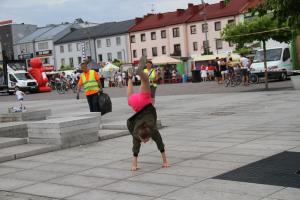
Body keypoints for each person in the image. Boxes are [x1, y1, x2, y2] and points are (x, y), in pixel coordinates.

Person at [127, 56, 168, 171]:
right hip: (136, 104)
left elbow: (135, 149)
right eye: (145, 140)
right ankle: (131, 77)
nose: (144, 142)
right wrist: (164, 161)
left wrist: (134, 165)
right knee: (131, 95)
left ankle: (135, 75)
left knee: (145, 82)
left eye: (143, 141)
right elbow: (160, 145)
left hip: (143, 103)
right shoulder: (152, 131)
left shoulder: (138, 133)